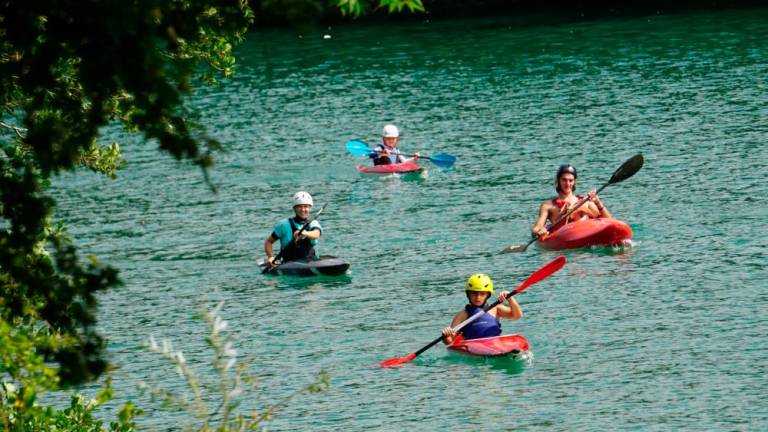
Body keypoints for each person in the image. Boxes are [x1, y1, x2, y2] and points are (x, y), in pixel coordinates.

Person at [531, 163, 612, 237]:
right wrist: (539, 231)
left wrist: (598, 202)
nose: (567, 184)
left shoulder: (585, 201)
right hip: (564, 238)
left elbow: (609, 221)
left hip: (586, 235)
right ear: (558, 180)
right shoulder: (548, 205)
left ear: (574, 182)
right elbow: (536, 228)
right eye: (564, 180)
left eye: (571, 180)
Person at [441, 273, 522, 345]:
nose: (478, 297)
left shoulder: (496, 309)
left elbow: (517, 316)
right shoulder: (462, 315)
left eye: (482, 293)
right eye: (474, 293)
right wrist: (446, 336)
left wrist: (510, 299)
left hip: (495, 345)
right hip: (474, 348)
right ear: (468, 294)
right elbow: (450, 342)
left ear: (488, 295)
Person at [263, 191, 322, 267]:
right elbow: (268, 242)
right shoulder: (284, 225)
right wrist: (271, 257)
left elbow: (316, 234)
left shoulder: (313, 223)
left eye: (306, 206)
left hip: (310, 261)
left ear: (310, 208)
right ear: (294, 208)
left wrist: (305, 233)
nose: (303, 209)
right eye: (299, 206)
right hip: (288, 263)